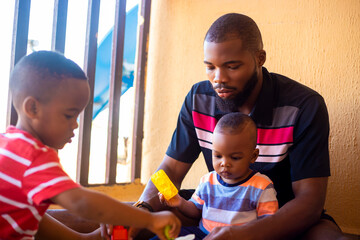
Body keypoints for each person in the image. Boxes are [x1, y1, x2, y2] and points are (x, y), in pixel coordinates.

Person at [131, 13, 349, 240]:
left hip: (284, 215)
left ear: (260, 58)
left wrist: (242, 234)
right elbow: (171, 170)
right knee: (124, 215)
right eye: (210, 67)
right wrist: (143, 209)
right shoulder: (199, 99)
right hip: (218, 208)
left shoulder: (304, 106)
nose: (218, 79)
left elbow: (309, 202)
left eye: (232, 67)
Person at [0, 50, 181, 240]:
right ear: (33, 108)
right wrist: (149, 220)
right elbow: (80, 202)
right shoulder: (33, 157)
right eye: (69, 115)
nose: (76, 124)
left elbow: (29, 216)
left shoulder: (8, 144)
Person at [152, 113, 278, 240]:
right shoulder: (208, 181)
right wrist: (179, 202)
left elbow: (268, 225)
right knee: (166, 235)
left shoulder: (261, 186)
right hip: (202, 234)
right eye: (218, 156)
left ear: (253, 156)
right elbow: (195, 210)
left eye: (235, 158)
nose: (224, 163)